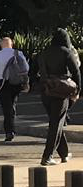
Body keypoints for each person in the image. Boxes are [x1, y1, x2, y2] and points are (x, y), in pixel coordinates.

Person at [38, 28, 81, 166]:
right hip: (61, 90)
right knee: (56, 123)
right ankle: (47, 156)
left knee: (56, 121)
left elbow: (35, 71)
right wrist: (77, 91)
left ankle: (64, 153)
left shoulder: (44, 53)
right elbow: (76, 72)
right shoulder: (66, 52)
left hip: (46, 90)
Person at [0, 36, 29, 144]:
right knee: (13, 103)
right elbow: (26, 68)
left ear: (2, 44)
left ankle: (9, 131)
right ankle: (12, 121)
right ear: (12, 44)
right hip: (16, 82)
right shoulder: (18, 53)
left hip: (3, 82)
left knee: (6, 108)